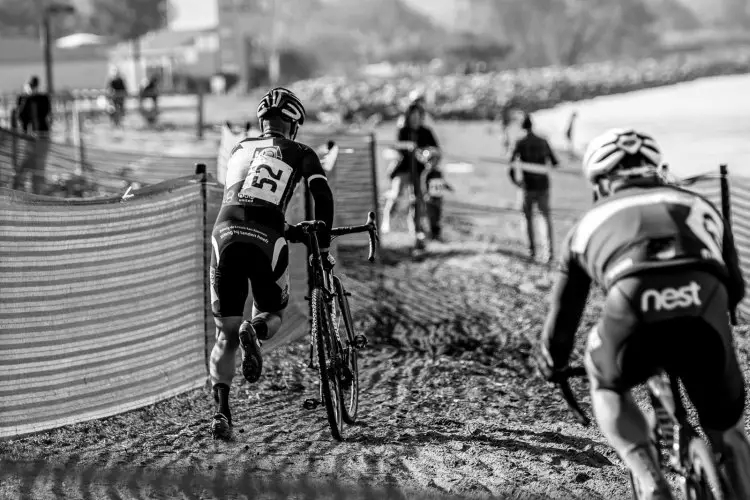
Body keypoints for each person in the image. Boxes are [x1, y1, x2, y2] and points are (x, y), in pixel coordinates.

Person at [535, 128, 750, 500]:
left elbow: (564, 315)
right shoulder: (700, 204)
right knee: (728, 427)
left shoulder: (586, 224)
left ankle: (649, 480)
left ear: (600, 182)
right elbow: (735, 286)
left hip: (633, 311)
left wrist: (552, 361)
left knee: (605, 382)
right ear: (656, 168)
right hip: (704, 309)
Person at [209, 87, 335, 441]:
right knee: (271, 312)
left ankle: (222, 413)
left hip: (225, 232)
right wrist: (321, 242)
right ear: (293, 125)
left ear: (262, 121)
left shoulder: (239, 147)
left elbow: (244, 194)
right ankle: (258, 331)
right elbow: (321, 194)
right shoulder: (301, 151)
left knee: (225, 333)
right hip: (267, 236)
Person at [381, 103, 440, 247]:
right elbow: (399, 148)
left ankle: (416, 227)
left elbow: (435, 150)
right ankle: (386, 221)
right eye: (413, 116)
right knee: (396, 194)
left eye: (418, 116)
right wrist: (411, 150)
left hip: (419, 171)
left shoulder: (426, 132)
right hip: (403, 169)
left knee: (418, 199)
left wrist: (428, 154)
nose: (415, 119)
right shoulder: (403, 131)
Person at [509, 113, 559, 262]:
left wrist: (516, 182)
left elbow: (510, 165)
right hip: (543, 185)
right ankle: (549, 252)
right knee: (545, 218)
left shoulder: (519, 142)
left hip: (527, 186)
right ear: (532, 125)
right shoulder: (543, 141)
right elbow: (555, 162)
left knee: (527, 218)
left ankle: (532, 251)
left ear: (522, 127)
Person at [14, 75, 52, 194]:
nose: (32, 88)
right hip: (28, 138)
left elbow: (47, 114)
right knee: (24, 166)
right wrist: (27, 98)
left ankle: (37, 194)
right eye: (30, 86)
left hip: (42, 136)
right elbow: (20, 116)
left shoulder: (43, 98)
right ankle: (19, 191)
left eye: (33, 86)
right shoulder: (22, 98)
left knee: (38, 167)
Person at [419, 149, 453, 241]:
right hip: (430, 199)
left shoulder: (438, 172)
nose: (435, 162)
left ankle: (437, 236)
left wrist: (448, 187)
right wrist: (426, 194)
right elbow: (423, 185)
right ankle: (430, 235)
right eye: (433, 160)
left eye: (436, 160)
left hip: (438, 198)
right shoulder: (426, 173)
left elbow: (442, 182)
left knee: (438, 217)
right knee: (431, 217)